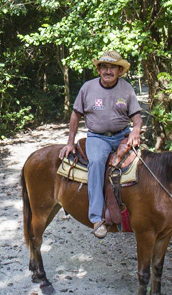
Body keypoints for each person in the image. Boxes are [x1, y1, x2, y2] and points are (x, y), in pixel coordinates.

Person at [59, 51, 142, 239]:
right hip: (98, 137)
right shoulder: (87, 88)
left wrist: (136, 130)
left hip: (122, 135)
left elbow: (136, 118)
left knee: (142, 164)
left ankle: (138, 211)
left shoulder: (126, 88)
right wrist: (70, 142)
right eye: (104, 67)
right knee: (96, 163)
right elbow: (75, 115)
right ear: (98, 69)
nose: (108, 70)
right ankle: (96, 217)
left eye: (112, 67)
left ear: (120, 70)